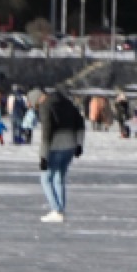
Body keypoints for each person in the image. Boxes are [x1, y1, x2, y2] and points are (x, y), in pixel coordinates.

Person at [32, 84, 86, 223]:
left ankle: (56, 210)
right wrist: (79, 143)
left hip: (55, 147)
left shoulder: (45, 106)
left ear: (37, 100)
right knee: (59, 179)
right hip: (70, 146)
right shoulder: (66, 102)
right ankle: (60, 211)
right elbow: (80, 122)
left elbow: (47, 132)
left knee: (45, 179)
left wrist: (43, 156)